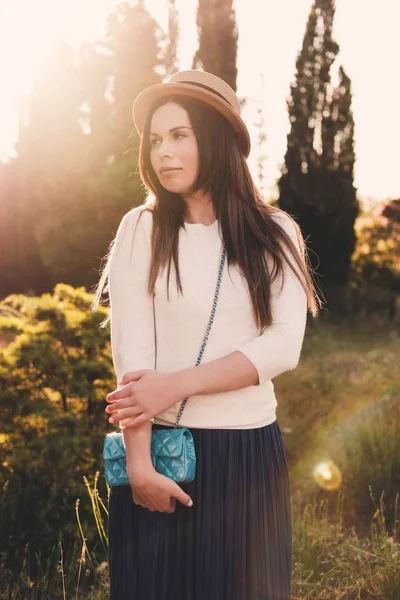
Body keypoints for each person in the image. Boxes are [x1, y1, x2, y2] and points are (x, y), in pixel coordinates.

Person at [92, 69, 321, 600]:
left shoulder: (276, 232)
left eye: (179, 136)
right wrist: (141, 466)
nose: (162, 152)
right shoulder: (140, 229)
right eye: (154, 140)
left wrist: (175, 385)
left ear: (217, 140)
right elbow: (132, 353)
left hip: (246, 457)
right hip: (158, 453)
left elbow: (283, 346)